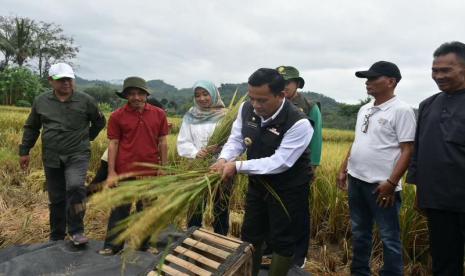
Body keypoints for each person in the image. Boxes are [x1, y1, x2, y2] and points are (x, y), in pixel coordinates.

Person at [211, 68, 313, 276]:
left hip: (289, 189)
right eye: (252, 98)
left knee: (282, 239)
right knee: (251, 234)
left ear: (280, 95)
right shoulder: (246, 109)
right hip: (258, 184)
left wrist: (237, 166)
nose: (256, 106)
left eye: (263, 101)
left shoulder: (299, 122)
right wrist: (224, 159)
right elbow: (237, 139)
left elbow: (281, 162)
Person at [337, 61, 416, 276]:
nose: (367, 82)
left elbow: (407, 150)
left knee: (389, 237)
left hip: (381, 187)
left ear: (391, 82)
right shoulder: (365, 109)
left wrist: (391, 183)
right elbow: (358, 141)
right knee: (359, 232)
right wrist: (345, 168)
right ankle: (360, 272)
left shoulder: (402, 110)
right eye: (367, 78)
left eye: (373, 78)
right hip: (357, 180)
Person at [19, 62, 106, 245]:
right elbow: (32, 127)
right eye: (61, 80)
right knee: (56, 197)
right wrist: (24, 151)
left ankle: (76, 231)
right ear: (51, 81)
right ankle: (57, 235)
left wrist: (87, 137)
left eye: (69, 79)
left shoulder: (85, 100)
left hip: (77, 154)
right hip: (51, 156)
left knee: (75, 187)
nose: (66, 83)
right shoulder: (41, 101)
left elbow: (99, 121)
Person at [406, 41, 465, 276]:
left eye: (446, 70)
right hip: (438, 201)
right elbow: (419, 152)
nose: (438, 76)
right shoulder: (428, 105)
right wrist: (420, 192)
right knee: (444, 262)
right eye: (434, 70)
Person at [99, 77, 169, 255]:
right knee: (120, 209)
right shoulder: (117, 116)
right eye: (131, 94)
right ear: (126, 96)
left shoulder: (159, 114)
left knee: (145, 209)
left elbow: (163, 142)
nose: (136, 97)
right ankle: (112, 246)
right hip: (125, 170)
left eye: (140, 93)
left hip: (150, 170)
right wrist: (112, 172)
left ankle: (143, 244)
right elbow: (113, 144)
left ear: (146, 95)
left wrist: (163, 168)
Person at [276, 65, 323, 267]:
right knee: (275, 208)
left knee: (299, 211)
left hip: (298, 167)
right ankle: (275, 249)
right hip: (274, 165)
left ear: (297, 84)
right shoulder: (271, 102)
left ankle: (299, 255)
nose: (284, 86)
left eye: (288, 82)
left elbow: (316, 138)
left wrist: (313, 166)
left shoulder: (309, 106)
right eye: (280, 82)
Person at [176, 80, 229, 234]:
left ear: (213, 93)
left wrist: (221, 149)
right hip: (197, 168)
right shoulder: (191, 115)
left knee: (220, 208)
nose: (202, 98)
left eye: (205, 94)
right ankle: (191, 239)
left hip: (220, 168)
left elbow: (235, 141)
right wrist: (196, 152)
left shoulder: (226, 116)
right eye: (197, 95)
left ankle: (220, 242)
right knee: (196, 208)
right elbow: (183, 140)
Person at [86, 97, 165, 196]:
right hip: (114, 160)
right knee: (97, 186)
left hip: (134, 162)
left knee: (142, 192)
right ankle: (77, 202)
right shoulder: (127, 118)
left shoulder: (155, 120)